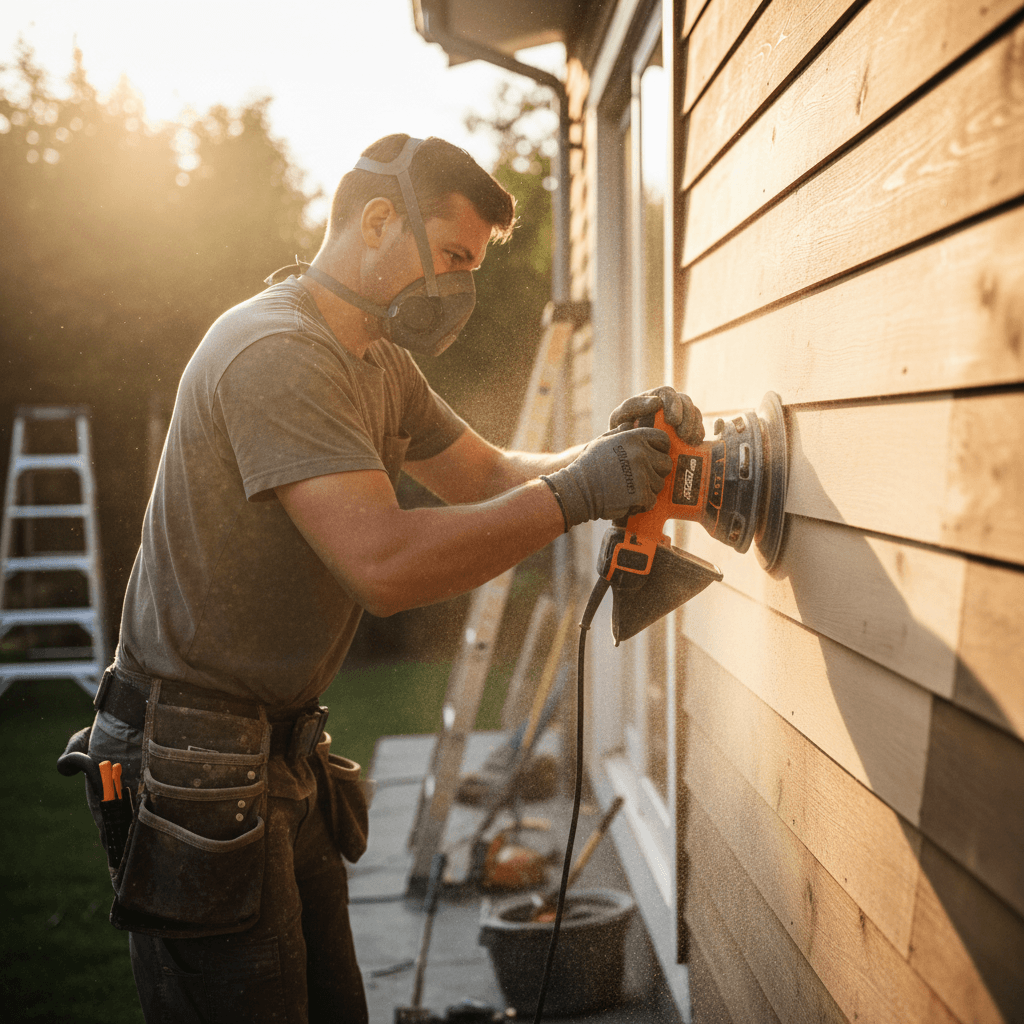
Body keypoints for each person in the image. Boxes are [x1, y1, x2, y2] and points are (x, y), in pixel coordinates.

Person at [73, 134, 704, 1023]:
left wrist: (615, 454)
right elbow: (385, 565)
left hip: (273, 754)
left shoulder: (375, 359)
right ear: (377, 221)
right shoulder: (277, 351)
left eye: (471, 265)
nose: (459, 287)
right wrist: (579, 494)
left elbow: (487, 476)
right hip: (193, 764)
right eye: (452, 255)